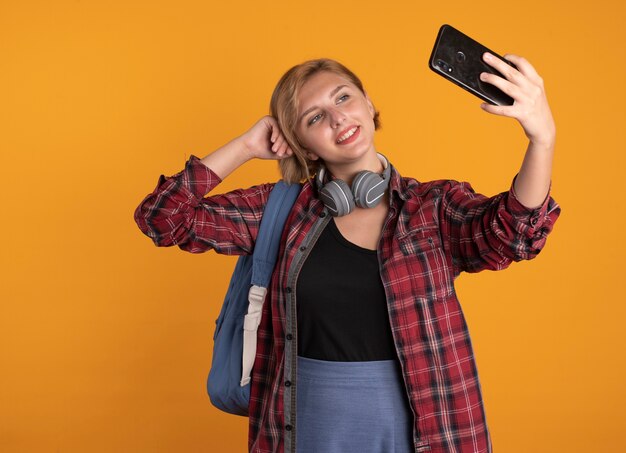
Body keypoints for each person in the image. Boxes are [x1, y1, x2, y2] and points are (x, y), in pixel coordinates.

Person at [134, 54, 561, 453]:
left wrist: (541, 139)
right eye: (314, 117)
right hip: (305, 429)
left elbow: (513, 233)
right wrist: (246, 146)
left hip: (424, 429)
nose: (338, 118)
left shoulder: (431, 207)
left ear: (368, 102)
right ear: (299, 143)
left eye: (343, 97)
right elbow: (163, 218)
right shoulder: (279, 211)